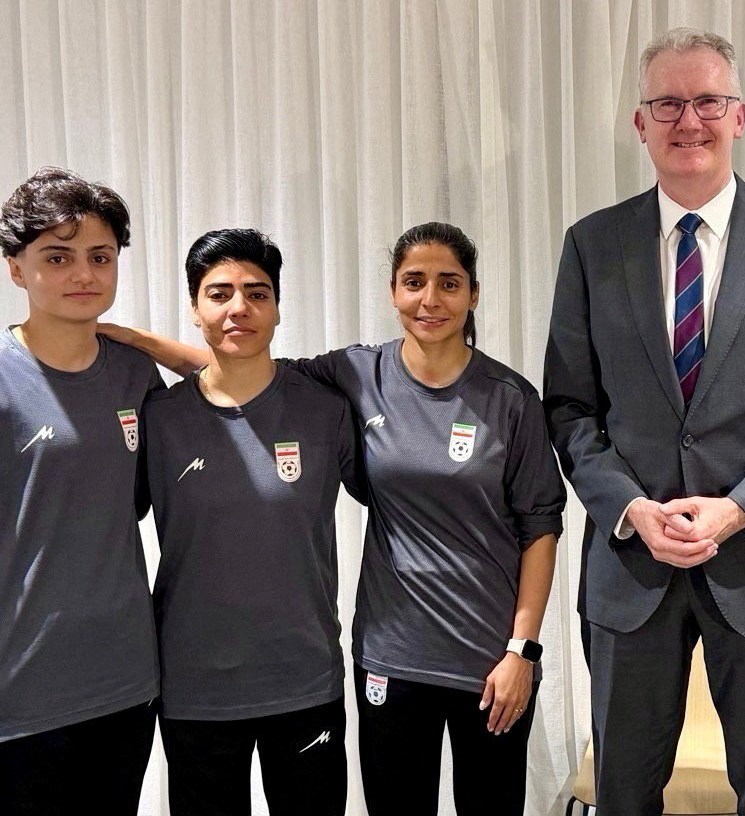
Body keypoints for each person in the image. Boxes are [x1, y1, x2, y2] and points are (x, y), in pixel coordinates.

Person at [102, 221, 565, 816]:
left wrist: (523, 648)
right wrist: (142, 343)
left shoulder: (505, 398)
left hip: (473, 660)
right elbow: (242, 369)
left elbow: (541, 524)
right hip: (372, 658)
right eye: (414, 282)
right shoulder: (348, 377)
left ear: (473, 294)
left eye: (449, 283)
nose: (430, 299)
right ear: (393, 292)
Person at [543, 28, 745, 815]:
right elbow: (570, 408)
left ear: (739, 115)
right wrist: (627, 508)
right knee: (624, 791)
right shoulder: (592, 245)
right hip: (631, 570)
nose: (688, 121)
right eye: (667, 104)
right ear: (640, 122)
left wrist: (737, 509)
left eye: (707, 102)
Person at [144, 229, 364, 815]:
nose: (239, 307)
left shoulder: (325, 410)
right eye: (219, 293)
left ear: (277, 307)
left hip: (304, 680)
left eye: (256, 293)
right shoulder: (159, 418)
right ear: (194, 308)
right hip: (195, 689)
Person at [0, 168, 162, 814]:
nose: (83, 275)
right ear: (17, 269)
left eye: (100, 257)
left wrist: (147, 342)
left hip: (124, 680)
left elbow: (247, 386)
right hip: (20, 688)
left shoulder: (133, 374)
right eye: (57, 258)